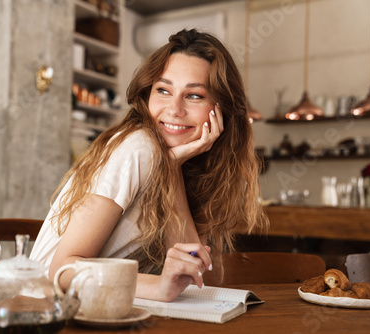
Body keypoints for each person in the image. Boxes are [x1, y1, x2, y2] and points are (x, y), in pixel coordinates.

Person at [30, 29, 268, 302]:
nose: (174, 109)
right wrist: (156, 287)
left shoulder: (182, 163)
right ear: (147, 94)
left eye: (194, 96)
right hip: (45, 309)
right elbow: (61, 270)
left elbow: (195, 275)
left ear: (221, 109)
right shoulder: (138, 148)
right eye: (163, 90)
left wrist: (172, 167)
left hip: (100, 307)